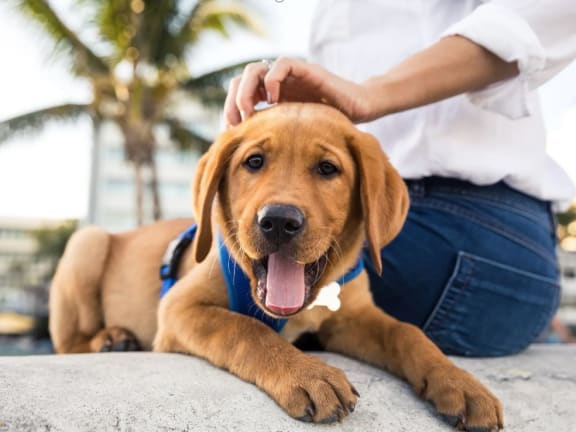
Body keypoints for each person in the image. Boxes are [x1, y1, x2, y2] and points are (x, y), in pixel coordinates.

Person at [224, 1, 576, 357]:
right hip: (371, 215)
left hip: (475, 225)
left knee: (211, 293)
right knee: (226, 263)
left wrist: (369, 94)